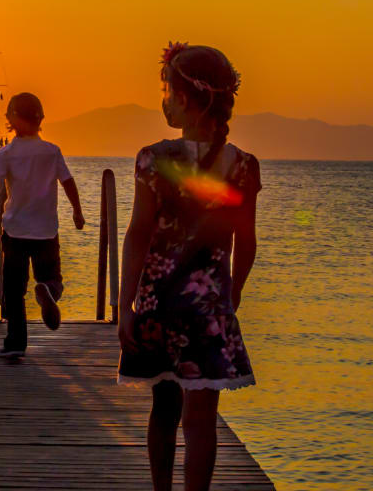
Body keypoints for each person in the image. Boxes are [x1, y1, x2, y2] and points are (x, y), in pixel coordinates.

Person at [117, 43, 261, 491]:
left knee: (163, 409)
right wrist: (230, 295)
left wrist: (126, 304)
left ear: (184, 99)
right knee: (202, 423)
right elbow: (247, 242)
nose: (163, 100)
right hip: (209, 308)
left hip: (158, 302)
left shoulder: (153, 159)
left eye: (166, 91)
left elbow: (138, 234)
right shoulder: (242, 165)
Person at [0, 92, 85, 358]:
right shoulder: (51, 152)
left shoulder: (6, 154)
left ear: (13, 119)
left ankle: (16, 343)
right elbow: (67, 181)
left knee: (14, 290)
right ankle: (48, 291)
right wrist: (77, 211)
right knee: (52, 278)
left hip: (15, 230)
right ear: (40, 119)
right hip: (46, 230)